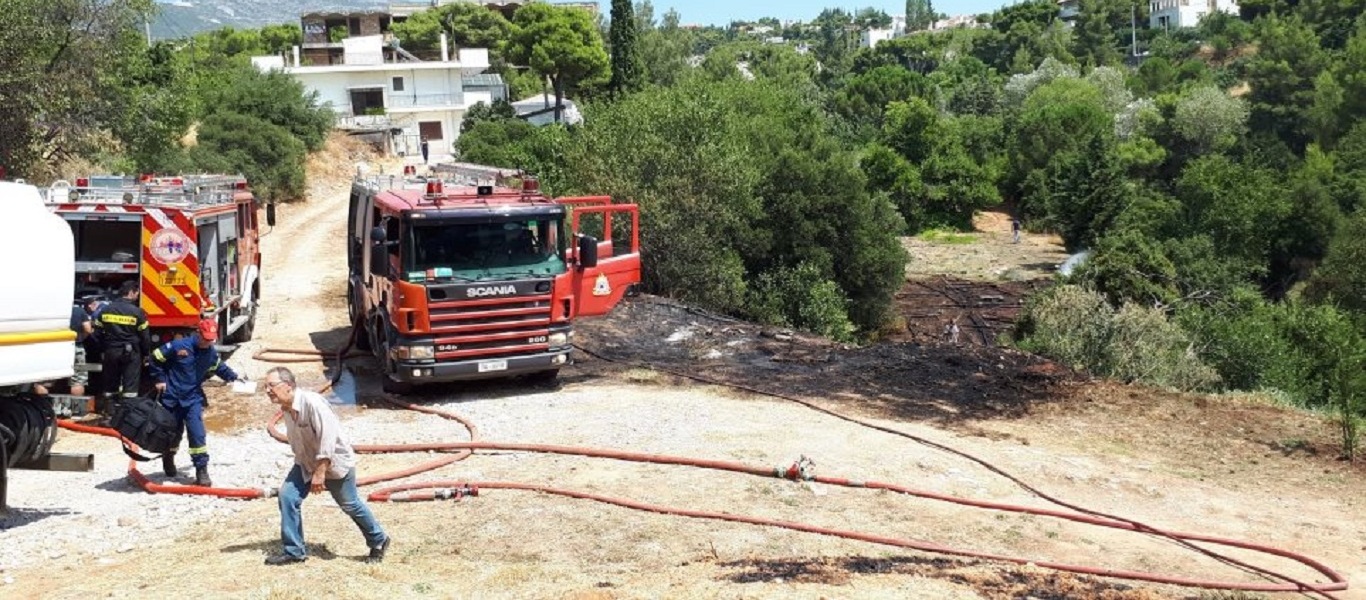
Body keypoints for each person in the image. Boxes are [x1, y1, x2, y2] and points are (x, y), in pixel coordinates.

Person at [262, 366, 390, 566]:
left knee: (350, 505)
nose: (268, 390)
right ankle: (294, 551)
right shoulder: (286, 408)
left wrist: (320, 473)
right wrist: (308, 468)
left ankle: (379, 539)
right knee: (287, 496)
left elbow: (328, 440)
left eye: (271, 385)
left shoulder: (313, 403)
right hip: (306, 462)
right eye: (265, 386)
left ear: (287, 386)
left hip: (333, 463)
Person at [147, 318, 243, 487]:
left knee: (197, 434)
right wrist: (160, 379)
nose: (208, 342)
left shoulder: (210, 352)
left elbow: (219, 368)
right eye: (205, 338)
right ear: (197, 333)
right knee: (172, 433)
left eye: (211, 339)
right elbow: (155, 358)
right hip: (172, 399)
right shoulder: (178, 346)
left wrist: (235, 378)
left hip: (193, 400)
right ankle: (168, 458)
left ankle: (201, 470)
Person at [95, 280, 150, 408]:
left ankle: (109, 415)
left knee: (110, 385)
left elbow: (97, 334)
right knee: (130, 388)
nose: (137, 297)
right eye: (137, 293)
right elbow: (145, 337)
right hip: (131, 353)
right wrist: (146, 354)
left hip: (111, 351)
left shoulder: (105, 310)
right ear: (131, 292)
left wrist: (103, 349)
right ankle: (126, 416)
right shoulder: (137, 312)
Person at [68, 297, 95, 396]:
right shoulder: (79, 311)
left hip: (56, 346)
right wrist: (82, 337)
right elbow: (88, 329)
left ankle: (42, 406)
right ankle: (76, 408)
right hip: (75, 346)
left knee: (45, 382)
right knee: (78, 379)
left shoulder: (54, 311)